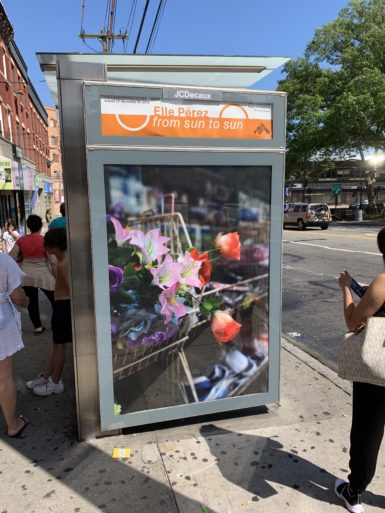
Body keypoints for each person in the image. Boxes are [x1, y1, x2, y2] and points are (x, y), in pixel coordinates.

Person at [335, 226, 385, 513]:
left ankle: (353, 492)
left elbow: (353, 322)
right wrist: (359, 286)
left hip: (378, 371)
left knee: (368, 430)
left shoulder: (383, 282)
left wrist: (345, 290)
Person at [26, 228, 71, 396]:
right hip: (61, 306)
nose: (45, 247)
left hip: (64, 307)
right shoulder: (61, 261)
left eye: (47, 244)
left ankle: (56, 382)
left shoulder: (64, 263)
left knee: (59, 346)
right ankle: (47, 376)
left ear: (54, 246)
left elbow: (70, 289)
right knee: (56, 345)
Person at [9, 215, 55, 334]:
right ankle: (56, 323)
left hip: (27, 273)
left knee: (32, 301)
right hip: (44, 272)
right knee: (55, 299)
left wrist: (20, 259)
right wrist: (56, 274)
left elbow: (11, 256)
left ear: (29, 226)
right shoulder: (44, 239)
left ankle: (37, 326)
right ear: (40, 226)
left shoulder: (21, 240)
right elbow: (52, 260)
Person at [0, 252, 29, 437]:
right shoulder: (2, 260)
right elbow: (17, 296)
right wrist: (26, 302)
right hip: (1, 322)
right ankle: (13, 425)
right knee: (4, 375)